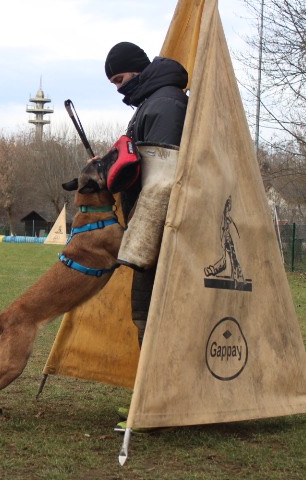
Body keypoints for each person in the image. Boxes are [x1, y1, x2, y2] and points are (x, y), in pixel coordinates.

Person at [103, 42, 188, 430]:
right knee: (146, 315)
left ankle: (156, 405)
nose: (119, 89)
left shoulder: (165, 104)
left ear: (138, 70)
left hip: (161, 229)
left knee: (152, 316)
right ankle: (151, 398)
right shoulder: (152, 102)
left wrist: (140, 235)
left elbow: (163, 181)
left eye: (120, 80)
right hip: (153, 226)